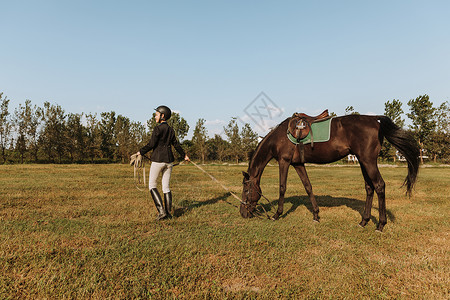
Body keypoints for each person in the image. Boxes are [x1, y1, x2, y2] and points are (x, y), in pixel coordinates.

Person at [136, 105, 189, 220]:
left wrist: (140, 152)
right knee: (166, 187)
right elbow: (176, 145)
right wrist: (184, 155)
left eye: (156, 114)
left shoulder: (158, 129)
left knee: (152, 185)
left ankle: (161, 212)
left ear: (162, 115)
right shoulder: (171, 130)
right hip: (169, 161)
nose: (155, 116)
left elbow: (151, 144)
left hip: (158, 160)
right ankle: (168, 213)